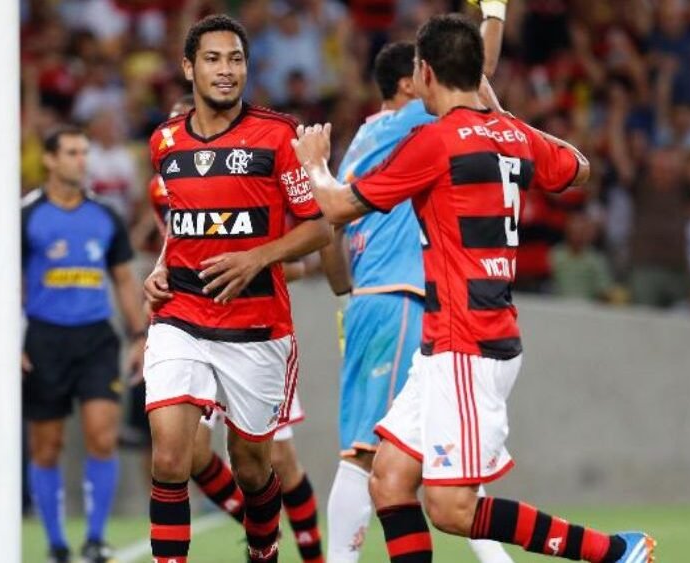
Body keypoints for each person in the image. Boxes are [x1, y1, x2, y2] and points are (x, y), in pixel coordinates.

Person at [293, 14, 655, 563]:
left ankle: (611, 552)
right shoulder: (509, 135)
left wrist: (315, 166)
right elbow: (579, 168)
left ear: (429, 73)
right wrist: (507, 119)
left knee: (452, 509)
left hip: (468, 345)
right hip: (448, 343)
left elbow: (338, 206)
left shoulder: (435, 143)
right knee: (388, 477)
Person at [142, 15, 331, 563]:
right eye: (213, 59)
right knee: (171, 459)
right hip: (179, 316)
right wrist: (160, 267)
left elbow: (317, 227)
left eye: (235, 60)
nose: (226, 71)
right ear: (188, 68)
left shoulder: (278, 136)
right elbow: (182, 224)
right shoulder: (165, 142)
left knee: (252, 467)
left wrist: (257, 257)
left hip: (256, 326)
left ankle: (263, 552)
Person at [321, 41, 512, 563]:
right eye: (426, 71)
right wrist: (493, 14)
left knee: (442, 452)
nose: (434, 80)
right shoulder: (411, 123)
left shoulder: (363, 138)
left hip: (371, 299)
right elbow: (476, 84)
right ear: (411, 83)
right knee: (364, 454)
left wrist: (349, 290)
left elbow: (329, 234)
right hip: (401, 298)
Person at [22, 126, 146, 563]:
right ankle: (56, 543)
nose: (82, 160)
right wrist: (10, 338)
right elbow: (4, 280)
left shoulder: (105, 216)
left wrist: (140, 335)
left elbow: (125, 280)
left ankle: (95, 539)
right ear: (50, 160)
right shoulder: (28, 214)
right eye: (72, 152)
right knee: (46, 445)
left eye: (85, 152)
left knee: (102, 436)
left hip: (95, 338)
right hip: (43, 338)